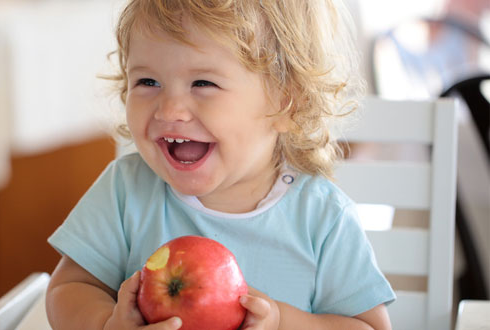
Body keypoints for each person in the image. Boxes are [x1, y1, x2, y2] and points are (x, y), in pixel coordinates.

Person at [45, 0, 396, 329]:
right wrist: (107, 323)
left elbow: (368, 325)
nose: (169, 110)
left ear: (287, 103)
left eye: (203, 83)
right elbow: (69, 288)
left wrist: (281, 321)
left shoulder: (322, 217)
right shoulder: (126, 190)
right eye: (147, 82)